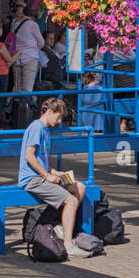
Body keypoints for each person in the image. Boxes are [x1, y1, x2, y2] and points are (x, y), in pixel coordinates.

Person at [19, 97, 91, 259]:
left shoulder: (44, 130)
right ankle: (68, 243)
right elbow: (29, 156)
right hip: (33, 179)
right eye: (58, 117)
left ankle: (61, 224)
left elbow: (41, 159)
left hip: (44, 175)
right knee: (71, 201)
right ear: (49, 111)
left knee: (79, 187)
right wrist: (46, 175)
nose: (58, 121)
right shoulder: (37, 128)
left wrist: (55, 172)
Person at [8, 0, 45, 99]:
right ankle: (25, 112)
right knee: (27, 89)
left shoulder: (14, 23)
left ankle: (12, 109)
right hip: (30, 58)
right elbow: (41, 42)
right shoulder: (32, 25)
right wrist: (34, 49)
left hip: (16, 58)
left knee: (17, 87)